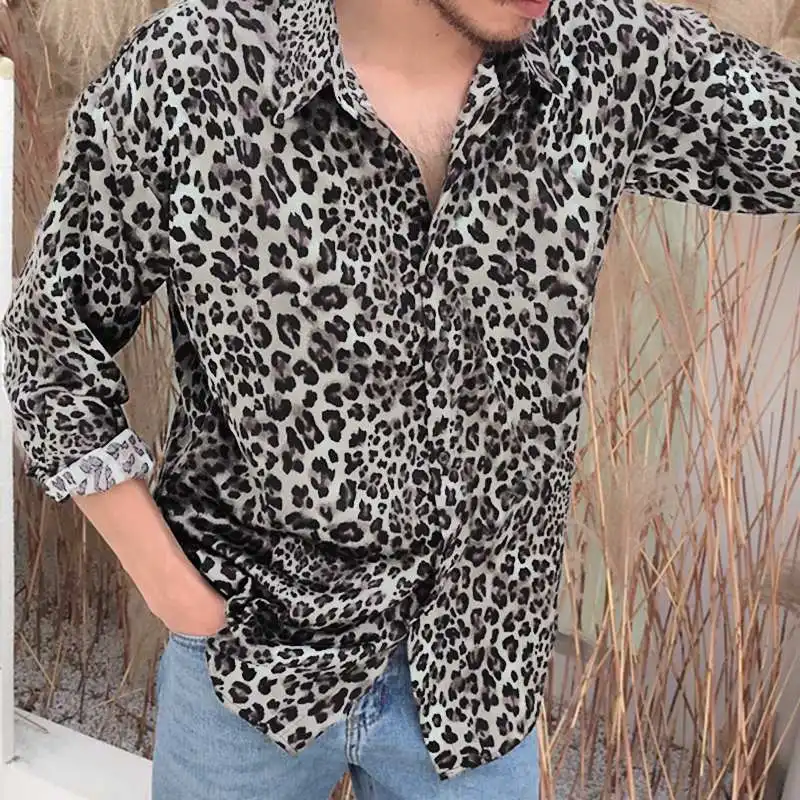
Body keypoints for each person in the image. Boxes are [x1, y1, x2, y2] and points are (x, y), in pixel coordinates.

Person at [2, 0, 799, 797]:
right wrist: (170, 588)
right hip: (249, 663)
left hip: (479, 680)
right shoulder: (197, 67)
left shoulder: (605, 57)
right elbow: (48, 338)